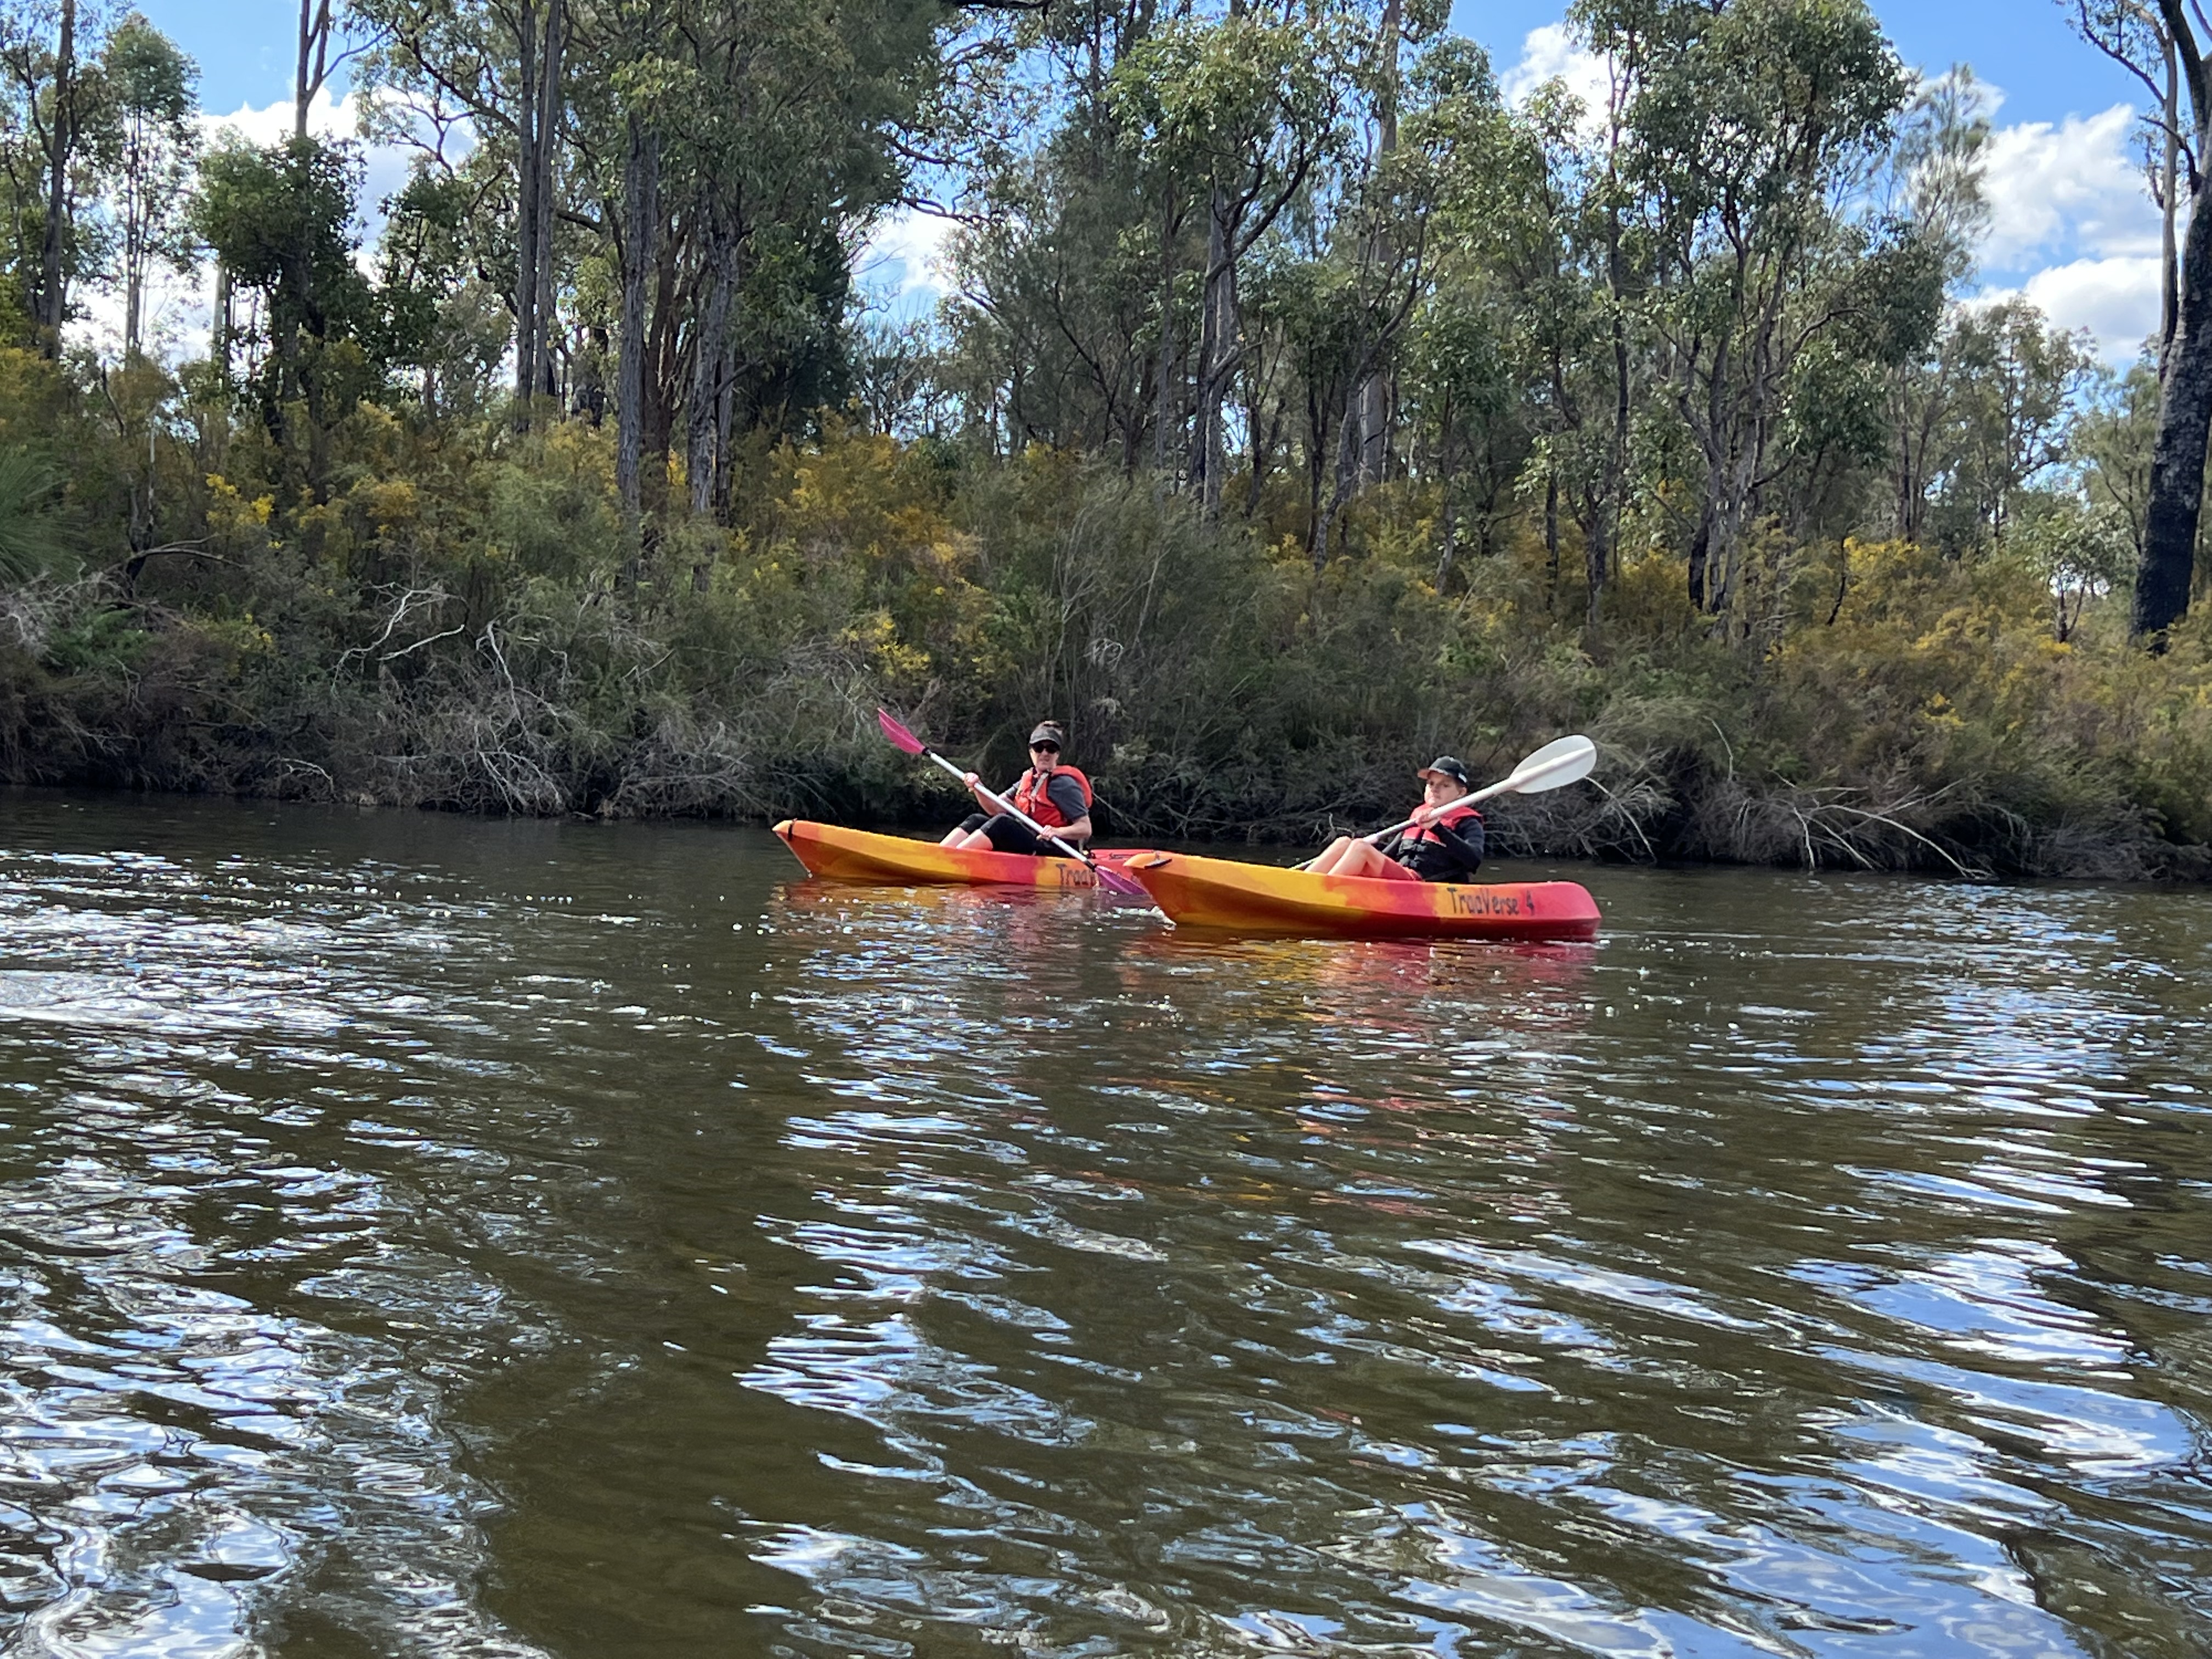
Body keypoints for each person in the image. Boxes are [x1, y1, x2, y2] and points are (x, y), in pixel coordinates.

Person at [1308, 756, 1485, 883]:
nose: (1435, 789)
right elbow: (1390, 855)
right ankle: (1302, 884)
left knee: (1360, 848)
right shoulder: (1418, 816)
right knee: (1345, 842)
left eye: (1445, 785)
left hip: (1420, 886)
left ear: (1461, 793)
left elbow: (1474, 861)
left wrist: (1438, 829)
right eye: (1431, 784)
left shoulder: (1468, 822)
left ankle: (1321, 891)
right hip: (1400, 878)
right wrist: (1362, 851)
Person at [939, 721, 1096, 855]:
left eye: (1051, 749)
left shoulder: (1064, 784)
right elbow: (995, 808)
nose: (1045, 753)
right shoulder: (1028, 778)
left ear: (1057, 754)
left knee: (1002, 823)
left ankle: (954, 860)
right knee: (976, 819)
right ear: (1031, 752)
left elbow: (1085, 828)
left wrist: (1057, 831)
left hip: (1055, 848)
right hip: (1030, 840)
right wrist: (978, 787)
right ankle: (940, 855)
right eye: (1039, 748)